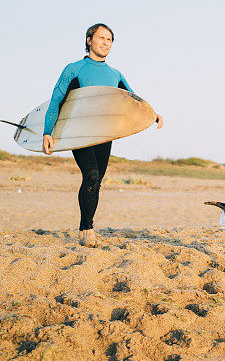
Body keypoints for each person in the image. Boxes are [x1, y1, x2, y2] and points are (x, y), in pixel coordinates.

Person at [42, 23, 164, 247]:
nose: (105, 43)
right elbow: (56, 100)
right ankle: (87, 230)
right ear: (89, 40)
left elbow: (132, 99)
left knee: (96, 181)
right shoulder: (74, 68)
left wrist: (151, 114)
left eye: (109, 39)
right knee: (91, 175)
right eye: (101, 38)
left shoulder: (115, 74)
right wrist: (47, 132)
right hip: (79, 133)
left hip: (103, 135)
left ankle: (86, 225)